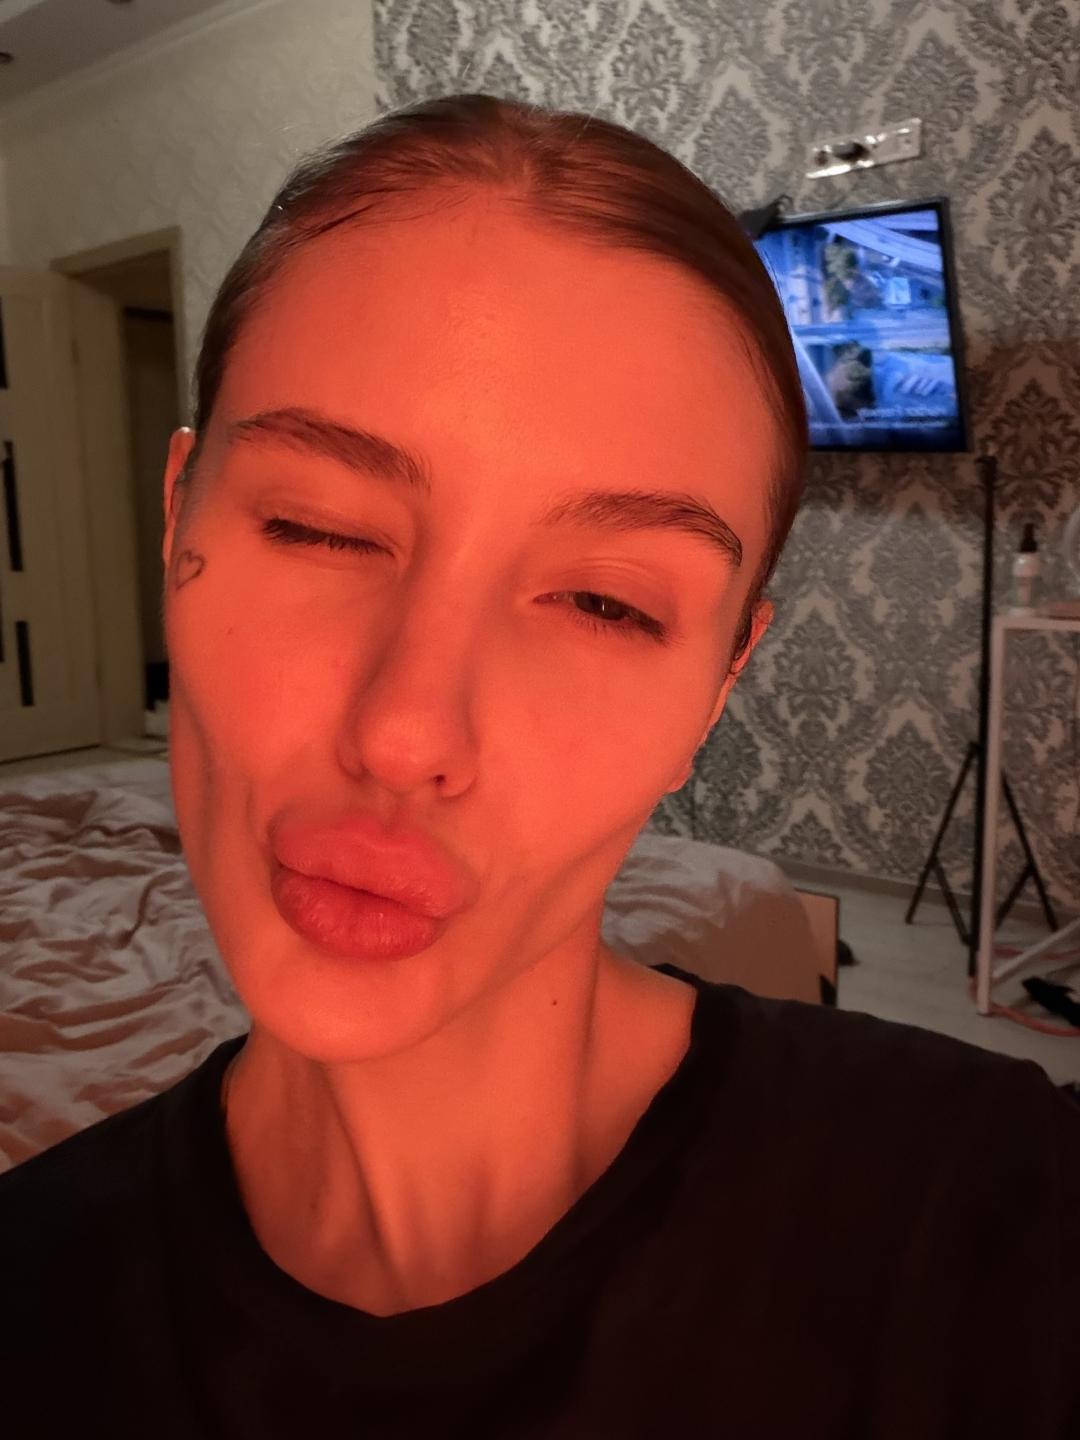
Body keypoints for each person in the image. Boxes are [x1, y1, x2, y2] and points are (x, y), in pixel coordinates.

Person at [2, 93, 1077, 1439]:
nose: (406, 733)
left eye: (606, 605)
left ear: (719, 679)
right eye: (319, 529)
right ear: (178, 529)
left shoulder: (992, 1203)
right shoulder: (33, 1300)